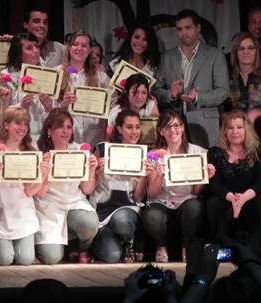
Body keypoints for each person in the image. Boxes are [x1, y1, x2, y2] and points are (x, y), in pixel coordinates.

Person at [144, 110, 215, 285]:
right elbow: (153, 194)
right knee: (152, 216)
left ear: (182, 128)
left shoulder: (197, 152)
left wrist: (206, 177)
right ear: (161, 131)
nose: (172, 130)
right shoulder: (154, 155)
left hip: (186, 199)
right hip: (162, 201)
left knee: (195, 207)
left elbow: (197, 192)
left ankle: (188, 246)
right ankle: (161, 245)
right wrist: (159, 175)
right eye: (167, 127)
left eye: (176, 125)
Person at [152, 9, 229, 148]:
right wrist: (171, 95)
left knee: (206, 166)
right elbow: (156, 90)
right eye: (179, 29)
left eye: (188, 28)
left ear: (198, 28)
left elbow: (223, 91)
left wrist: (198, 97)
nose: (183, 33)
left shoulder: (215, 55)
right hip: (174, 128)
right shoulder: (167, 56)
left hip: (204, 125)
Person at [0, 107, 49, 265]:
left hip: (23, 215)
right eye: (18, 123)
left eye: (26, 124)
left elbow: (30, 191)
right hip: (0, 213)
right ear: (6, 125)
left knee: (25, 260)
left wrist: (43, 174)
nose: (23, 128)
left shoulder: (32, 152)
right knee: (4, 260)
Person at [34, 108, 99, 264]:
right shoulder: (39, 151)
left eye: (69, 127)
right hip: (48, 206)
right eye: (60, 127)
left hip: (73, 202)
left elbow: (87, 189)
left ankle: (83, 247)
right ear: (49, 130)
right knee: (51, 258)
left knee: (89, 222)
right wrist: (45, 171)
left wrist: (91, 169)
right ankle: (63, 246)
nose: (65, 131)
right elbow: (41, 193)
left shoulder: (78, 150)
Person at [206, 110, 261, 259]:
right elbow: (213, 184)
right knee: (213, 203)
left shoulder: (258, 152)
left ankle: (255, 250)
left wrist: (242, 199)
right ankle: (225, 247)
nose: (234, 131)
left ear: (247, 129)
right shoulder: (214, 153)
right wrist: (232, 198)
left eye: (239, 127)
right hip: (226, 200)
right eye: (230, 128)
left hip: (250, 201)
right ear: (225, 131)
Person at [90, 110, 154, 263]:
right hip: (103, 213)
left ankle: (128, 241)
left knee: (121, 221)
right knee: (111, 256)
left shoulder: (143, 155)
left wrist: (144, 175)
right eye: (129, 127)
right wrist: (97, 170)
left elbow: (138, 197)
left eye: (138, 127)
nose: (134, 132)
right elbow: (89, 188)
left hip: (127, 212)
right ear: (119, 129)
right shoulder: (102, 149)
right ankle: (98, 243)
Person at [58, 30, 114, 147]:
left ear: (89, 50)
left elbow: (113, 103)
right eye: (75, 44)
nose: (80, 48)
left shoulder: (101, 76)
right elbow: (46, 110)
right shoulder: (57, 73)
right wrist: (63, 104)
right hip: (66, 136)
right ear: (69, 47)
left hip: (94, 135)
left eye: (84, 45)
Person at [1, 32, 55, 144]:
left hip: (41, 136)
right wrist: (21, 106)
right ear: (19, 53)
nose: (35, 51)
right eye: (29, 48)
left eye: (36, 46)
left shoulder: (46, 75)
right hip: (16, 137)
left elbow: (52, 112)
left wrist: (49, 108)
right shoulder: (6, 76)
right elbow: (2, 113)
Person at [222, 32, 261, 122]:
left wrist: (256, 114)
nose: (246, 52)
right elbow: (220, 111)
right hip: (234, 130)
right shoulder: (227, 76)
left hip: (260, 131)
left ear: (256, 51)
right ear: (235, 52)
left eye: (251, 48)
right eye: (241, 49)